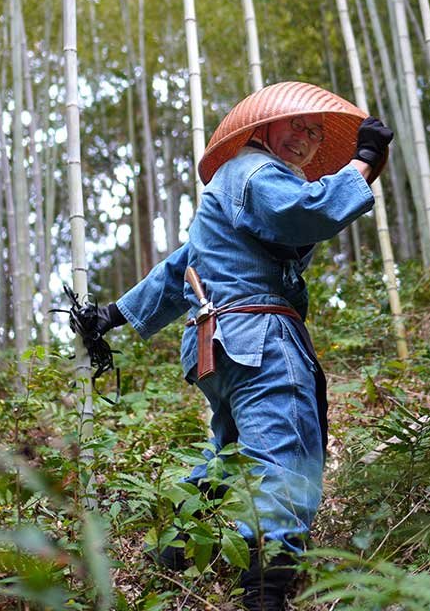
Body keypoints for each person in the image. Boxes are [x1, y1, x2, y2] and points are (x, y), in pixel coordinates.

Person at [89, 82, 393, 610]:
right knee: (283, 452)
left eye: (316, 134)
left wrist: (113, 315)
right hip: (262, 338)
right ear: (262, 128)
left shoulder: (232, 191)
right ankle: (267, 589)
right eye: (296, 124)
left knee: (228, 456)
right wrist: (364, 161)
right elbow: (307, 213)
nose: (305, 138)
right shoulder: (255, 172)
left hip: (219, 347)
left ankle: (173, 553)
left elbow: (181, 267)